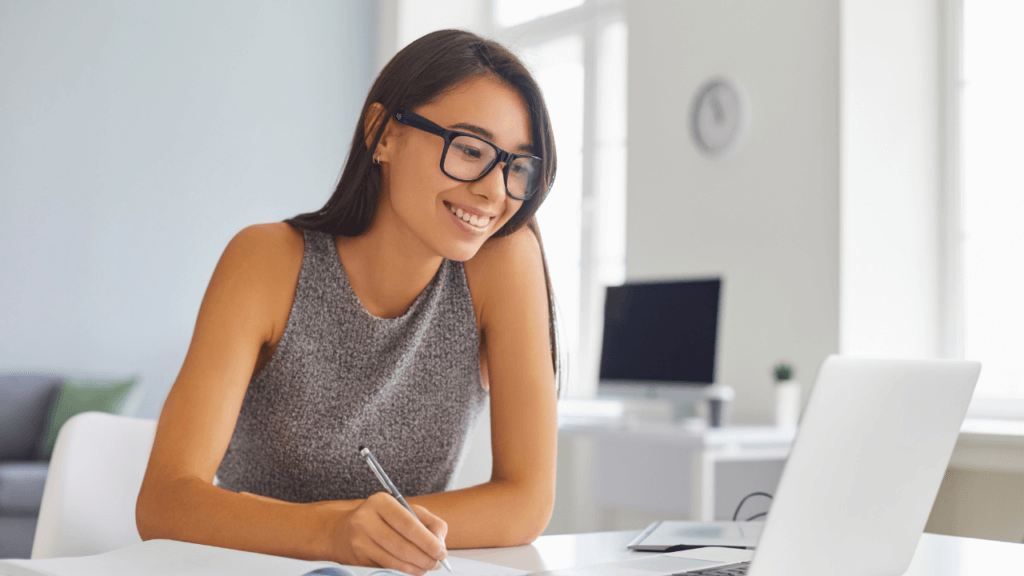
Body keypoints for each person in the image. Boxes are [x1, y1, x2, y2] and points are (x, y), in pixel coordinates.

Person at [135, 29, 559, 575]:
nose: (494, 192)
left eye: (515, 166)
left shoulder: (503, 262)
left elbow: (525, 502)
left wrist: (367, 533)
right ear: (383, 133)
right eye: (470, 150)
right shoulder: (265, 261)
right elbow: (165, 501)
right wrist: (334, 532)